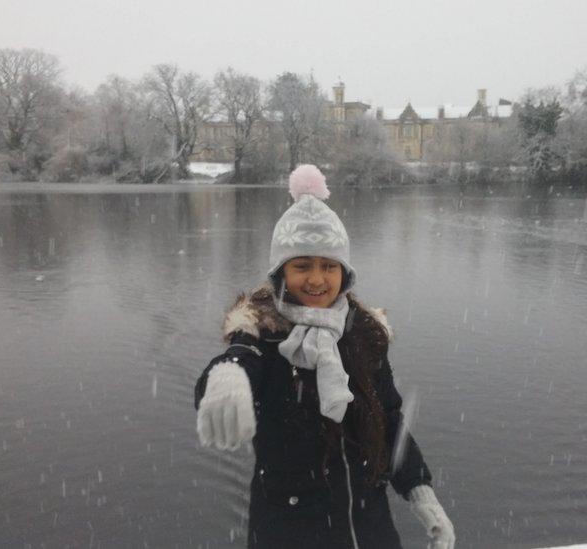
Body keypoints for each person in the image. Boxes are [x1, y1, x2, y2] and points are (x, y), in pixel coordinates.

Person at [194, 165, 455, 549]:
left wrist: (420, 490)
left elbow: (389, 422)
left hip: (370, 529)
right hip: (288, 531)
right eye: (302, 265)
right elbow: (236, 363)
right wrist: (226, 375)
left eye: (328, 266)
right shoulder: (262, 336)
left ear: (344, 273)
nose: (316, 279)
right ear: (281, 272)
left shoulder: (363, 335)